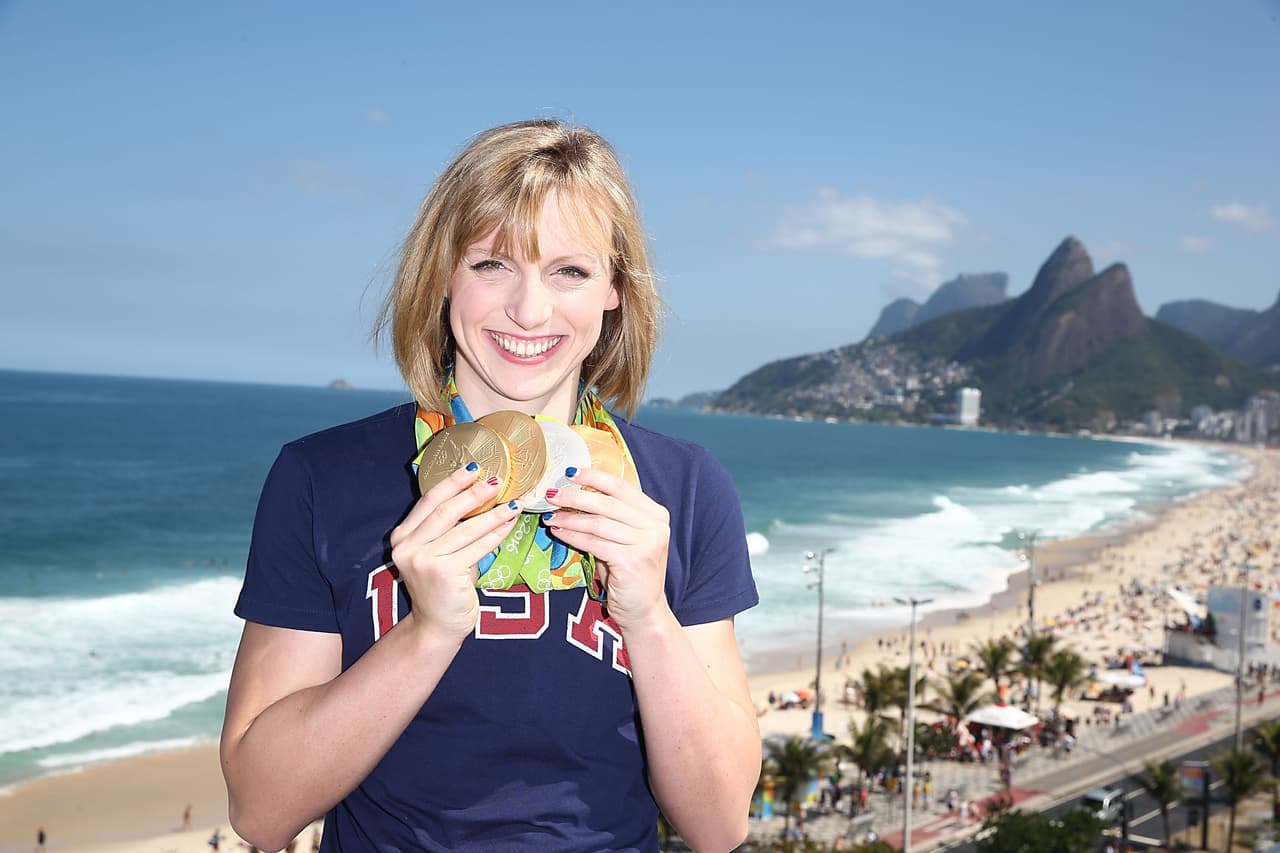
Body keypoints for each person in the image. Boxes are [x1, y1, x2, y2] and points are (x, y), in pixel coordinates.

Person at [219, 119, 761, 852]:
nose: (529, 311)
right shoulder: (322, 477)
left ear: (614, 289)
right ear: (442, 274)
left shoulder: (684, 488)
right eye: (493, 264)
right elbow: (260, 809)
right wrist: (427, 632)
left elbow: (719, 824)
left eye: (569, 271)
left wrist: (649, 618)